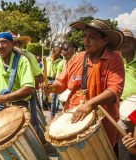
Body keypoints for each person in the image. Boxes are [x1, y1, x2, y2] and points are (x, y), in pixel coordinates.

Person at [45, 19, 125, 155]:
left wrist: (90, 104)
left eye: (92, 37)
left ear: (105, 40)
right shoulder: (76, 58)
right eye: (84, 36)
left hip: (103, 124)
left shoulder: (114, 59)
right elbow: (61, 83)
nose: (86, 41)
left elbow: (114, 90)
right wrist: (52, 87)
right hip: (73, 118)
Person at [118, 29, 136, 160]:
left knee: (134, 143)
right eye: (123, 40)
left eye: (129, 39)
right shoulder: (114, 60)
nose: (126, 42)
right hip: (120, 106)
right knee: (123, 142)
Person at [44, 45, 62, 119]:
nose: (60, 53)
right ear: (54, 52)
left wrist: (57, 76)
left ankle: (52, 114)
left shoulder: (60, 61)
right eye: (59, 52)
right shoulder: (46, 59)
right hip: (46, 80)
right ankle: (47, 106)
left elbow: (59, 72)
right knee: (45, 98)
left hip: (54, 80)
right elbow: (43, 69)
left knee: (53, 98)